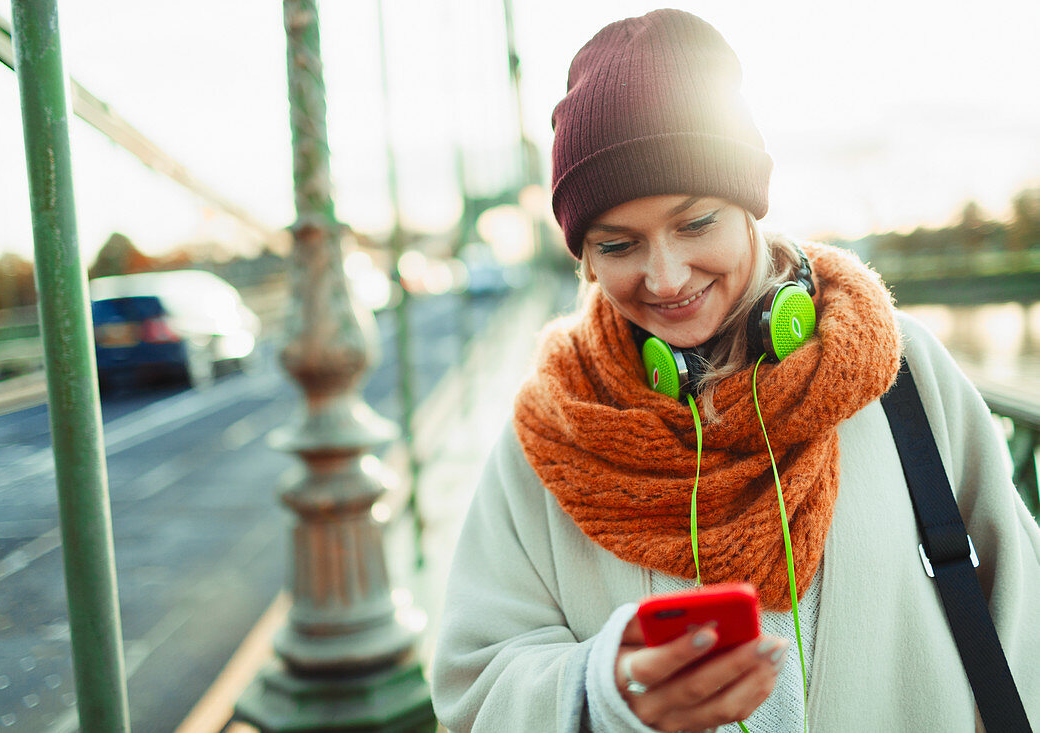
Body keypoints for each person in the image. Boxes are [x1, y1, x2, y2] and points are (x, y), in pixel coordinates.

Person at [430, 9, 1040, 732]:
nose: (665, 277)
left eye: (695, 223)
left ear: (751, 207)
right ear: (583, 256)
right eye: (619, 244)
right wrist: (602, 691)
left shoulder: (903, 373)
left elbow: (1023, 622)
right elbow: (476, 683)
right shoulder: (550, 434)